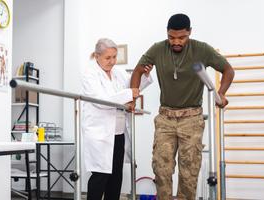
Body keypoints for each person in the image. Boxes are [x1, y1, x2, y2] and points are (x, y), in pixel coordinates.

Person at [130, 14, 235, 200]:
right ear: (167, 34)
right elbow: (138, 70)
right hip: (165, 118)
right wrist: (133, 95)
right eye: (171, 37)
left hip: (191, 119)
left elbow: (228, 70)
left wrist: (222, 93)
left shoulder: (201, 49)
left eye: (181, 37)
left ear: (190, 33)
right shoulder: (158, 49)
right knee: (161, 170)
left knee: (189, 173)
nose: (176, 41)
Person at [81, 38, 153, 200]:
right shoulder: (89, 74)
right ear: (97, 56)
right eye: (108, 58)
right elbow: (101, 100)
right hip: (100, 134)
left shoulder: (118, 72)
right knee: (100, 175)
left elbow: (133, 87)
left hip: (118, 133)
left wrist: (144, 75)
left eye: (114, 57)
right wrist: (129, 94)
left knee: (116, 176)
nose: (112, 62)